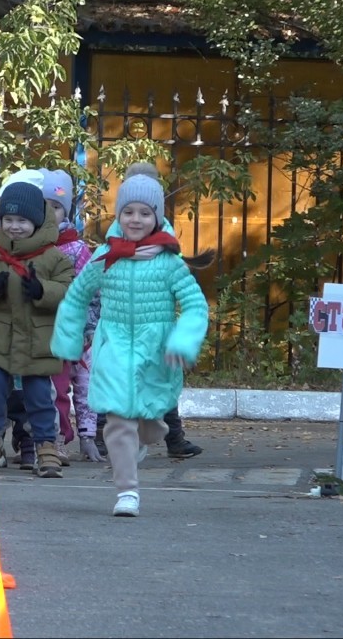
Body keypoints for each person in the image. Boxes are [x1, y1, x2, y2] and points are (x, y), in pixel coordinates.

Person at [51, 173, 210, 517]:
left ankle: (147, 434)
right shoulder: (106, 257)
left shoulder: (170, 263)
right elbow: (77, 296)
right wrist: (67, 341)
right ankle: (127, 492)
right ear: (119, 214)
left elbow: (196, 306)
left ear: (157, 217)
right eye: (128, 212)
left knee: (150, 423)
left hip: (157, 354)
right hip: (114, 347)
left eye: (144, 213)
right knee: (119, 420)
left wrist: (183, 340)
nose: (135, 219)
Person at [92, 161, 208, 461]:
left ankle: (174, 438)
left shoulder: (162, 235)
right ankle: (106, 435)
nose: (137, 217)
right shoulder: (116, 236)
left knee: (160, 382)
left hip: (152, 328)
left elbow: (177, 277)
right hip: (119, 324)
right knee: (113, 381)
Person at [0, 182, 74, 478]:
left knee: (39, 394)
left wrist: (42, 290)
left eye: (22, 220)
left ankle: (46, 445)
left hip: (38, 340)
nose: (14, 226)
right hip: (0, 338)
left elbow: (68, 289)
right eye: (8, 220)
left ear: (37, 221)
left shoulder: (54, 257)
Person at [38, 168, 104, 464]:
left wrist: (87, 329)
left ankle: (70, 438)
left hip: (69, 333)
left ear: (65, 211)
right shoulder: (27, 244)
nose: (48, 213)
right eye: (42, 206)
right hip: (37, 330)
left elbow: (91, 292)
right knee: (42, 389)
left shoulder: (76, 248)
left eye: (55, 207)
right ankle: (38, 440)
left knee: (68, 387)